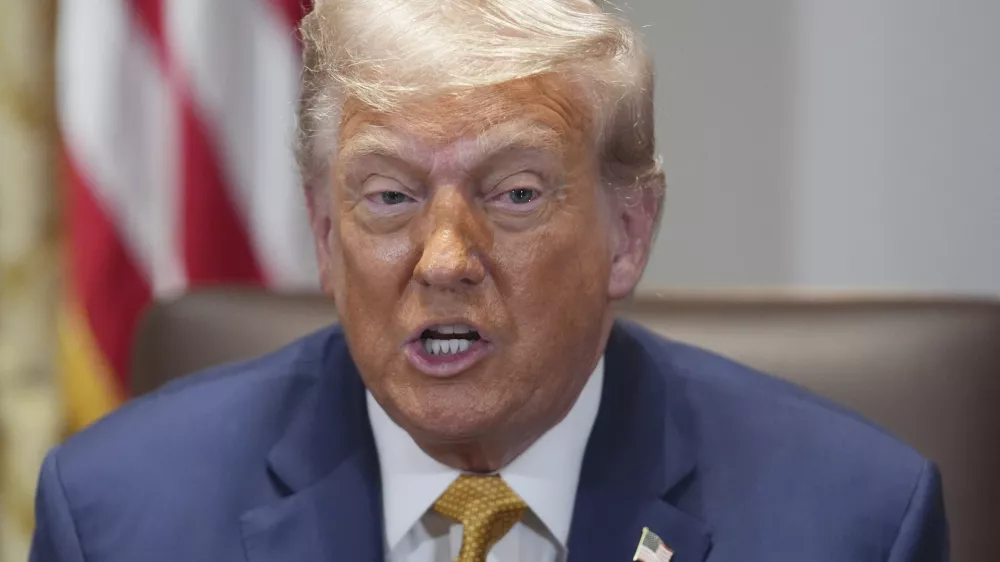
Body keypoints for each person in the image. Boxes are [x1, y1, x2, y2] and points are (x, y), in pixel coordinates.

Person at [30, 1, 947, 561]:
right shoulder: (120, 518)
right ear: (323, 231)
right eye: (388, 196)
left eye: (513, 193)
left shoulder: (850, 524)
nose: (443, 259)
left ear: (629, 232)